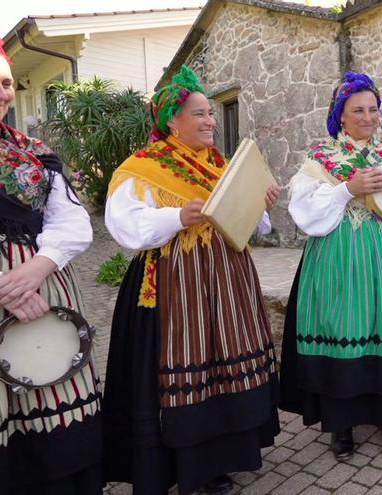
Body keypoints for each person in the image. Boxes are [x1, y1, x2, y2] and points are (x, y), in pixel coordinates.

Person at [101, 65, 280, 495]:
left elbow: (254, 227)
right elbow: (124, 226)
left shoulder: (220, 164)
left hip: (229, 279)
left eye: (211, 113)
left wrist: (261, 203)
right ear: (172, 122)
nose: (210, 121)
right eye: (199, 114)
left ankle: (222, 458)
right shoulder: (144, 167)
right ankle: (180, 465)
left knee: (227, 364)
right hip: (174, 283)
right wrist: (178, 216)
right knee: (184, 368)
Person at [279, 71, 382, 461]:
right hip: (337, 258)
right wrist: (347, 189)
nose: (368, 117)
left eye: (373, 110)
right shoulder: (320, 158)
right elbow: (303, 211)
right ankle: (341, 424)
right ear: (341, 114)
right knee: (341, 327)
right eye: (358, 110)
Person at [0, 40, 101, 494]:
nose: (2, 93)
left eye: (6, 82)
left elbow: (73, 221)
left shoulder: (33, 153)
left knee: (53, 389)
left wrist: (37, 269)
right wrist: (5, 287)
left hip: (47, 290)